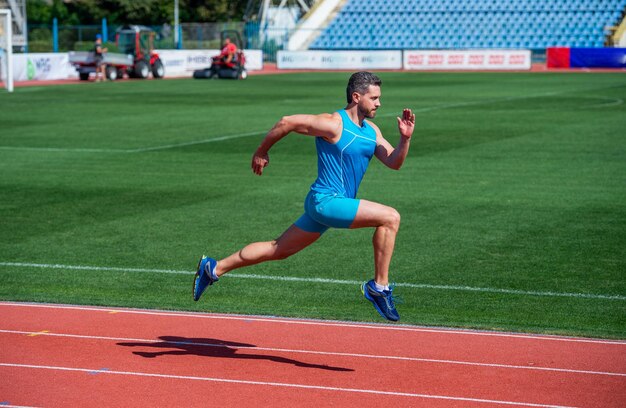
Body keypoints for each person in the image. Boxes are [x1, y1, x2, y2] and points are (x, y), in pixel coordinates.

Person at [193, 71, 415, 321]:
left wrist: (404, 139)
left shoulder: (371, 131)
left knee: (278, 249)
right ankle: (379, 288)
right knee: (390, 218)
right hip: (326, 201)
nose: (379, 103)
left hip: (327, 206)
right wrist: (261, 152)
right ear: (356, 96)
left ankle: (214, 268)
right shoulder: (333, 124)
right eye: (374, 98)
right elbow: (287, 121)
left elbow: (394, 162)